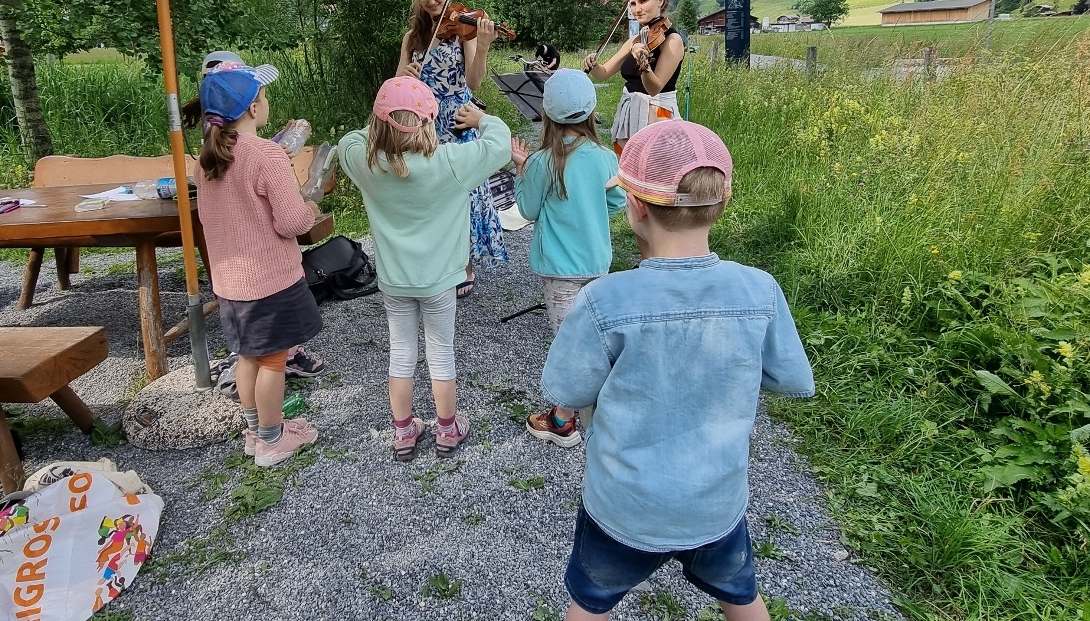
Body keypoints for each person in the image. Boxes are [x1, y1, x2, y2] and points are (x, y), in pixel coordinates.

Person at [541, 120, 815, 621]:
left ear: (636, 208)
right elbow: (793, 380)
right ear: (722, 202)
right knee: (741, 596)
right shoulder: (759, 290)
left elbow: (563, 387)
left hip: (625, 506)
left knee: (588, 605)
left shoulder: (604, 300)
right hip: (715, 503)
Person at [338, 76, 512, 461]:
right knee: (441, 351)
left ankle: (403, 432)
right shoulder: (449, 162)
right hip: (440, 281)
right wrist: (482, 117)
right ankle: (447, 428)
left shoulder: (365, 162)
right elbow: (499, 146)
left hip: (395, 281)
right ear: (430, 121)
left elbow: (347, 140)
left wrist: (385, 123)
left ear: (379, 123)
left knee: (401, 352)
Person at [194, 62, 326, 467]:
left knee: (248, 356)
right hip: (269, 280)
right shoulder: (266, 154)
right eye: (263, 97)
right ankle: (272, 440)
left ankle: (256, 431)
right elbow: (290, 222)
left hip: (230, 283)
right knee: (273, 360)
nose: (265, 102)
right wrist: (311, 205)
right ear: (253, 108)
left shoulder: (206, 157)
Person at [508, 69, 625, 448]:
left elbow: (526, 208)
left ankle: (562, 420)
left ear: (546, 114)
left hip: (560, 271)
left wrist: (521, 169)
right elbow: (617, 201)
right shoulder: (605, 158)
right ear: (592, 111)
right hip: (597, 263)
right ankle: (598, 406)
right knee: (595, 336)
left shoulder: (542, 161)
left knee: (568, 344)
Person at [397, 0, 507, 299]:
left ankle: (465, 262)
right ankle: (438, 256)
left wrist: (484, 45)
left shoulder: (462, 29)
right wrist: (409, 74)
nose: (431, 0)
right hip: (423, 122)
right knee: (431, 190)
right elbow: (398, 80)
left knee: (463, 191)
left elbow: (473, 82)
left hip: (458, 115)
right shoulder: (413, 37)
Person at [582, 0, 685, 155]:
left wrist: (644, 65)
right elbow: (603, 73)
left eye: (643, 1)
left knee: (652, 172)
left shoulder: (672, 41)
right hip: (630, 112)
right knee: (626, 173)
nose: (637, 9)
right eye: (632, 4)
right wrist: (593, 64)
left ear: (660, 0)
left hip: (657, 113)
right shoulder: (635, 40)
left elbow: (654, 88)